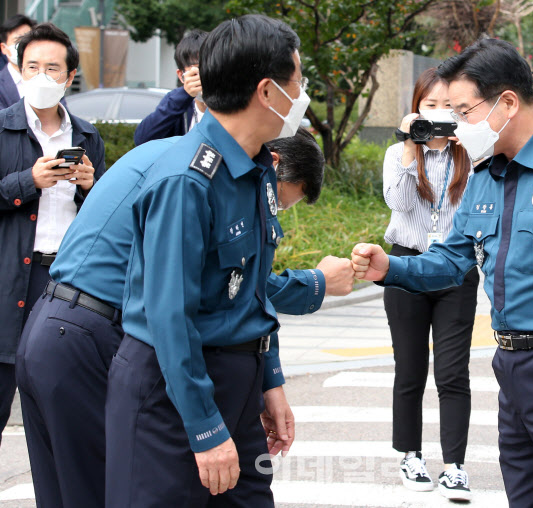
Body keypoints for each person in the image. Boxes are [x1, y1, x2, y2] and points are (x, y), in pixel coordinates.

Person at [351, 37, 533, 508]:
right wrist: (390, 267)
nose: (456, 125)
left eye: (464, 111)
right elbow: (451, 259)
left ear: (507, 102)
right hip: (511, 368)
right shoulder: (486, 176)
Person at [16, 123, 351, 507]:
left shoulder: (182, 154)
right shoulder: (198, 176)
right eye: (282, 202)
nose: (275, 213)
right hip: (92, 337)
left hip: (56, 328)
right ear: (271, 165)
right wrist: (316, 283)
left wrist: (269, 379)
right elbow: (224, 285)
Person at [103, 15, 332, 506]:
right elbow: (170, 317)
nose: (303, 91)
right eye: (299, 79)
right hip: (173, 395)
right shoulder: (186, 182)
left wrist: (269, 381)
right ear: (268, 92)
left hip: (236, 383)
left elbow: (247, 288)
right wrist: (205, 429)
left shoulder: (254, 168)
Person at [0, 22, 104, 445]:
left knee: (59, 409)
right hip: (8, 279)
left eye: (53, 69)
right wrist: (29, 181)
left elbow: (100, 218)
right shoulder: (2, 128)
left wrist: (89, 188)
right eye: (33, 67)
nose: (42, 77)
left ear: (70, 77)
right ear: (19, 70)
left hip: (63, 280)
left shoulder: (86, 135)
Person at [383, 67, 477, 501]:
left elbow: (481, 211)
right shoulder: (398, 153)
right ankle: (411, 455)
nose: (440, 115)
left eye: (450, 107)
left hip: (455, 269)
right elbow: (400, 204)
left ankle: (455, 466)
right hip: (405, 267)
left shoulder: (471, 155)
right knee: (410, 368)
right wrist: (409, 144)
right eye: (430, 105)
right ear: (416, 108)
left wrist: (473, 147)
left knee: (453, 372)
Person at [134, 29, 208, 146]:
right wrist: (185, 95)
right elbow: (142, 139)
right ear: (181, 75)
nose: (205, 75)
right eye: (198, 68)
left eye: (209, 66)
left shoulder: (233, 100)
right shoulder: (177, 102)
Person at [0, 14, 36, 109]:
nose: (23, 44)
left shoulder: (48, 79)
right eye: (17, 40)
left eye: (28, 39)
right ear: (4, 48)